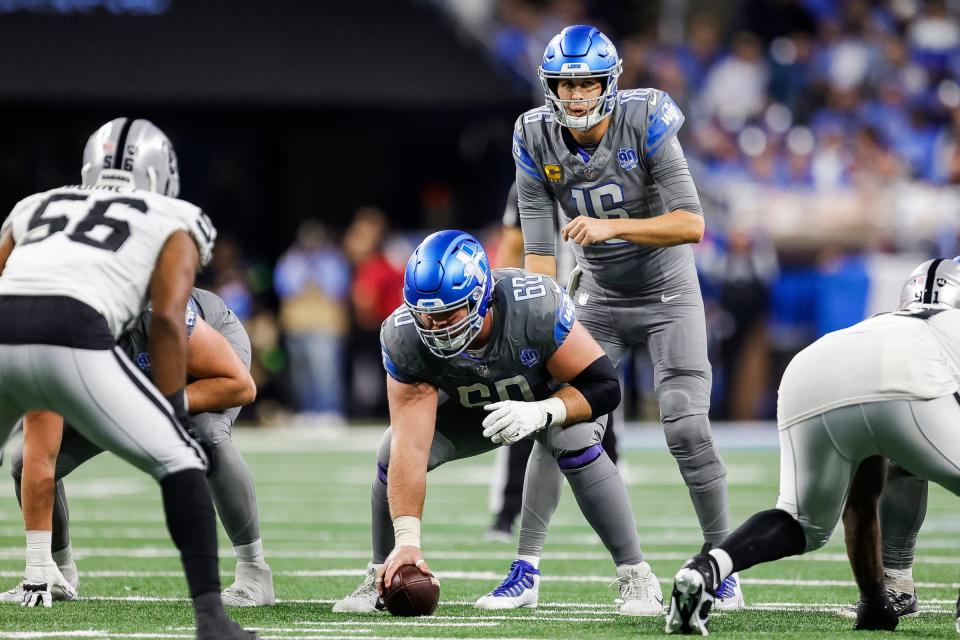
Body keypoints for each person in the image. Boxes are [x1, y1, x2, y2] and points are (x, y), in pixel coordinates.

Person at [489, 24, 741, 611]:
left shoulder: (646, 118)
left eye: (588, 83)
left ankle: (724, 559)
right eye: (566, 83)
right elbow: (541, 249)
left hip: (667, 294)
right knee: (557, 426)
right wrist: (538, 321)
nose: (577, 96)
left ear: (610, 81)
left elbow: (691, 223)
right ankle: (525, 569)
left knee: (685, 427)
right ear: (550, 85)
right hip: (597, 297)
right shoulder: (533, 134)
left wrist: (612, 227)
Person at [0, 117, 255, 639]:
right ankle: (211, 618)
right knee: (179, 457)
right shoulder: (176, 217)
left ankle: (41, 571)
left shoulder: (35, 205)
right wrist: (169, 412)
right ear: (164, 173)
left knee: (29, 452)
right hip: (74, 328)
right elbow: (165, 319)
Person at [333, 230, 662, 616]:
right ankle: (380, 573)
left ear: (480, 297)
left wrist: (544, 411)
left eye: (448, 313)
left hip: (548, 398)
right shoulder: (405, 335)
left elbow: (604, 386)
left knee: (572, 438)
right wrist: (408, 542)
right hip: (474, 412)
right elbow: (411, 444)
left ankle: (637, 575)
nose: (436, 327)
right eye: (427, 315)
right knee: (392, 449)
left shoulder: (533, 304)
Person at [666, 259, 960, 635]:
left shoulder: (883, 321)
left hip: (812, 367)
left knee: (800, 522)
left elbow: (861, 500)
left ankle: (707, 569)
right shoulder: (946, 331)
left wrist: (873, 602)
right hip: (904, 376)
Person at [1, 287, 274, 607]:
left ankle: (254, 571)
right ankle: (59, 572)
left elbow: (239, 384)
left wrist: (156, 403)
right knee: (24, 461)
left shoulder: (155, 305)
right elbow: (41, 451)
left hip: (196, 356)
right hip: (121, 380)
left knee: (207, 433)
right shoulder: (49, 336)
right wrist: (37, 564)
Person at [486, 181, 619, 542]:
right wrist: (502, 305)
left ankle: (606, 511)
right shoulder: (531, 182)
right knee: (522, 409)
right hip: (547, 311)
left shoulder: (609, 176)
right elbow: (512, 244)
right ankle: (507, 512)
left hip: (589, 306)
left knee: (599, 406)